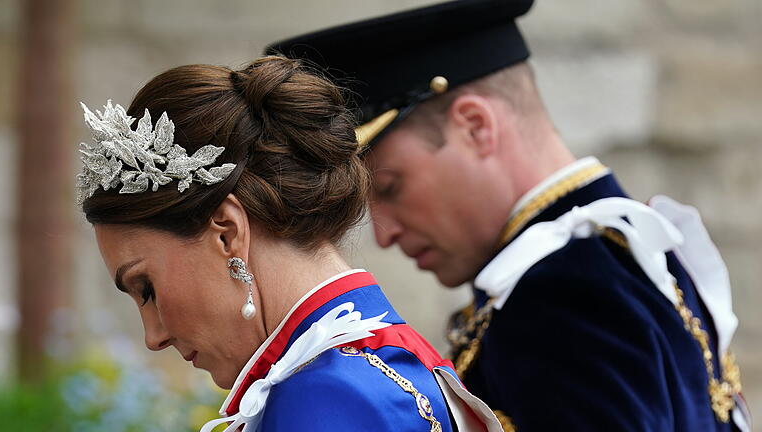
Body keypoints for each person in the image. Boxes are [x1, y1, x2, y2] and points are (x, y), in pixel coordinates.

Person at [266, 1, 751, 431]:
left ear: (475, 126)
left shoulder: (565, 294)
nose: (385, 233)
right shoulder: (610, 257)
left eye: (390, 188)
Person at [77, 56, 504, 431]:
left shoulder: (327, 396)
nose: (153, 336)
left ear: (227, 233)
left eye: (146, 288)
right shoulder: (366, 366)